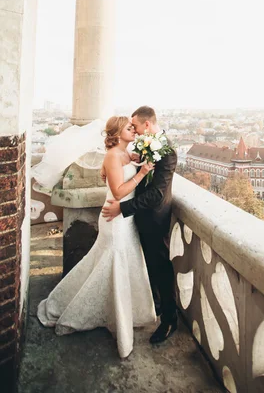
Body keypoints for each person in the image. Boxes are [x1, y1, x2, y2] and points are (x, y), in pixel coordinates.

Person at [37, 116, 156, 359]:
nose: (134, 130)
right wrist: (142, 172)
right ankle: (86, 310)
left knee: (118, 264)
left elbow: (117, 177)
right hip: (115, 218)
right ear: (116, 132)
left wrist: (134, 162)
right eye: (129, 127)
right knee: (110, 263)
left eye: (134, 127)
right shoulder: (113, 155)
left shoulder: (124, 154)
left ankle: (120, 313)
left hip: (126, 218)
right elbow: (120, 190)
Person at [102, 106, 178, 344]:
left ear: (147, 125)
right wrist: (132, 164)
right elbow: (131, 171)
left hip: (155, 219)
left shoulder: (167, 152)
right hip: (138, 218)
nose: (132, 129)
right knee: (145, 268)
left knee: (160, 268)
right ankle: (149, 307)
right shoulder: (145, 145)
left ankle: (169, 320)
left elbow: (156, 195)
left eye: (134, 125)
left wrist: (122, 209)